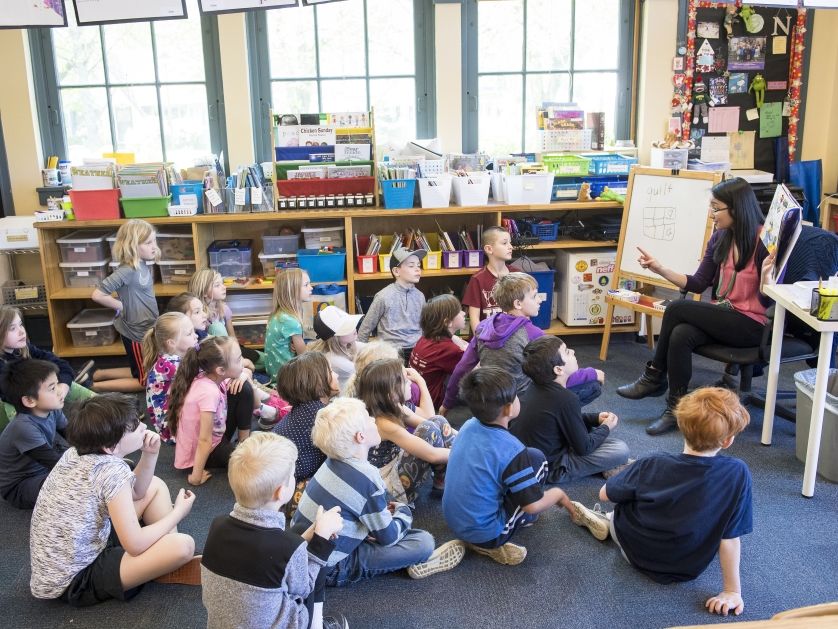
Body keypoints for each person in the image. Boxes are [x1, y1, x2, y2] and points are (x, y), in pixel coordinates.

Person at [570, 388, 753, 618]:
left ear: (680, 425)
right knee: (717, 519)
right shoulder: (737, 473)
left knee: (624, 500)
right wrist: (732, 591)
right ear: (727, 440)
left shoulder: (653, 463)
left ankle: (606, 519)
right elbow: (730, 537)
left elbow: (605, 494)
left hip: (635, 552)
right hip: (688, 567)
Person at [616, 178, 775, 435]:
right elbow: (699, 283)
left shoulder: (765, 241)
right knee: (681, 334)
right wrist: (658, 267)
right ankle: (676, 409)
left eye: (716, 208)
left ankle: (655, 376)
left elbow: (771, 303)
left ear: (736, 208)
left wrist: (768, 280)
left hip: (753, 324)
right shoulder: (720, 238)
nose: (712, 214)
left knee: (677, 309)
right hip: (725, 315)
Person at [30, 394, 199, 607]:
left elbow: (137, 492)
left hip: (77, 549)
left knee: (154, 485)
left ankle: (163, 563)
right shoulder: (111, 471)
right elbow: (135, 544)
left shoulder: (75, 452)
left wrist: (150, 454)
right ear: (111, 447)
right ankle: (164, 563)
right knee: (183, 546)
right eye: (135, 426)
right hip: (76, 579)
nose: (142, 427)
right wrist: (179, 513)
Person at [290, 397, 465, 586]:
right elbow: (388, 537)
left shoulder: (332, 462)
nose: (374, 421)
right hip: (329, 568)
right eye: (369, 419)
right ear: (360, 437)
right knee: (423, 542)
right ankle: (420, 559)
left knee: (381, 527)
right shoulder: (366, 478)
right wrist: (402, 511)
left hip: (301, 552)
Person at [201, 432, 347, 629]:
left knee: (302, 531)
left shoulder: (216, 526)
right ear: (281, 491)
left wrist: (307, 537)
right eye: (292, 476)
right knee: (310, 567)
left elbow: (264, 557)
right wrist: (321, 540)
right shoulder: (287, 548)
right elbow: (305, 588)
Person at [442, 367, 576, 565]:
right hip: (486, 533)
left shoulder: (469, 425)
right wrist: (558, 494)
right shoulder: (512, 450)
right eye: (516, 397)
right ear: (507, 408)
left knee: (533, 457)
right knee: (538, 466)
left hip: (452, 518)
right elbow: (532, 506)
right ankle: (494, 542)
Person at [442, 273, 604, 414]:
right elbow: (559, 373)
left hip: (491, 402)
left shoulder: (483, 327)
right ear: (518, 304)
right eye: (534, 296)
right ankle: (554, 420)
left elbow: (462, 368)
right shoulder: (534, 334)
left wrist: (446, 404)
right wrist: (593, 373)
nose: (540, 300)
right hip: (523, 405)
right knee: (594, 384)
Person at [511, 336, 630, 483]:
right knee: (620, 449)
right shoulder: (566, 398)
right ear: (559, 369)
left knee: (592, 432)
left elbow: (561, 420)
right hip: (552, 468)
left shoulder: (534, 386)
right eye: (567, 352)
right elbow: (584, 448)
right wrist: (606, 427)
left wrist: (594, 418)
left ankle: (607, 465)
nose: (573, 351)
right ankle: (608, 467)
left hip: (531, 459)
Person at [357, 359, 455, 505]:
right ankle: (452, 477)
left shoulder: (394, 406)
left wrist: (467, 438)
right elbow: (432, 455)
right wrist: (466, 451)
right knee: (429, 430)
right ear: (391, 393)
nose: (411, 383)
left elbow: (431, 420)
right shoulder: (383, 423)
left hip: (395, 464)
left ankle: (444, 479)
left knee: (437, 420)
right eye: (405, 380)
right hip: (388, 488)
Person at [168, 336, 255, 485]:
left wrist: (244, 375)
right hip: (206, 450)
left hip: (216, 434)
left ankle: (243, 443)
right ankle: (241, 452)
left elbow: (254, 399)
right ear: (221, 370)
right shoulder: (208, 392)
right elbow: (204, 440)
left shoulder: (212, 377)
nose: (243, 362)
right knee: (250, 465)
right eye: (238, 359)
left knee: (244, 388)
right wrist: (196, 476)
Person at [91, 219, 159, 392]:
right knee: (144, 382)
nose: (154, 246)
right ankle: (94, 386)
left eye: (154, 241)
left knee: (145, 369)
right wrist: (122, 306)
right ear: (132, 245)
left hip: (146, 328)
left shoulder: (141, 264)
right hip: (135, 332)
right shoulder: (127, 270)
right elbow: (98, 294)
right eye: (148, 242)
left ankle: (99, 374)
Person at [272, 352, 340, 517]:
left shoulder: (307, 409)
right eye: (331, 371)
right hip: (288, 492)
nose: (336, 375)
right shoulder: (321, 416)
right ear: (318, 385)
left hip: (274, 484)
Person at [0, 306, 93, 422]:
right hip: (19, 409)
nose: (21, 331)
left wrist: (63, 387)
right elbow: (19, 396)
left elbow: (62, 365)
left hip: (39, 398)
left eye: (20, 324)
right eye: (12, 328)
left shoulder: (23, 349)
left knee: (91, 401)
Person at [0, 360, 68, 509]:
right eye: (52, 388)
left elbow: (76, 438)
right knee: (71, 484)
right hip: (19, 486)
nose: (59, 390)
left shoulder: (53, 409)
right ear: (30, 400)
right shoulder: (23, 427)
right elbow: (57, 464)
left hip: (44, 469)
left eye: (57, 384)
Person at [357, 247, 427, 363]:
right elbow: (366, 327)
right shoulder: (383, 296)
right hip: (390, 353)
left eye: (418, 265)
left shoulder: (420, 296)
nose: (417, 269)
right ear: (396, 271)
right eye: (411, 266)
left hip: (417, 350)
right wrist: (359, 357)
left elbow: (426, 326)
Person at [142, 312, 198, 443]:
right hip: (172, 427)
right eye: (189, 334)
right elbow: (203, 376)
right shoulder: (170, 364)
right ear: (172, 343)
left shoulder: (175, 357)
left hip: (171, 418)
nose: (195, 336)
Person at [409, 294, 469, 410]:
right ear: (448, 322)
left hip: (417, 398)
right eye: (459, 311)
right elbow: (474, 369)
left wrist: (454, 338)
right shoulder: (448, 350)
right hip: (432, 404)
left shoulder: (426, 338)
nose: (464, 313)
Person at [265, 268, 313, 386]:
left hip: (275, 372)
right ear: (292, 290)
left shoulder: (280, 314)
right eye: (306, 285)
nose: (311, 287)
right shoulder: (291, 321)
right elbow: (304, 356)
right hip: (288, 379)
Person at [462, 226, 514, 333]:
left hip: (512, 337)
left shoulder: (518, 275)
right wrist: (481, 342)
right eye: (504, 243)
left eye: (510, 243)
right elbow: (474, 319)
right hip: (487, 339)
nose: (510, 247)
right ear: (489, 249)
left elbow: (525, 313)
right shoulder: (477, 279)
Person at [306, 305, 365, 391]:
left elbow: (371, 348)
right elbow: (367, 374)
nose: (354, 329)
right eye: (348, 328)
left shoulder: (342, 345)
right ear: (335, 338)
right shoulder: (336, 361)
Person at [188, 269, 234, 337]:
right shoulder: (197, 314)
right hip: (204, 346)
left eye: (222, 283)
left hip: (224, 345)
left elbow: (232, 337)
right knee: (216, 327)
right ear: (204, 292)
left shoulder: (224, 309)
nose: (224, 287)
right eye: (217, 285)